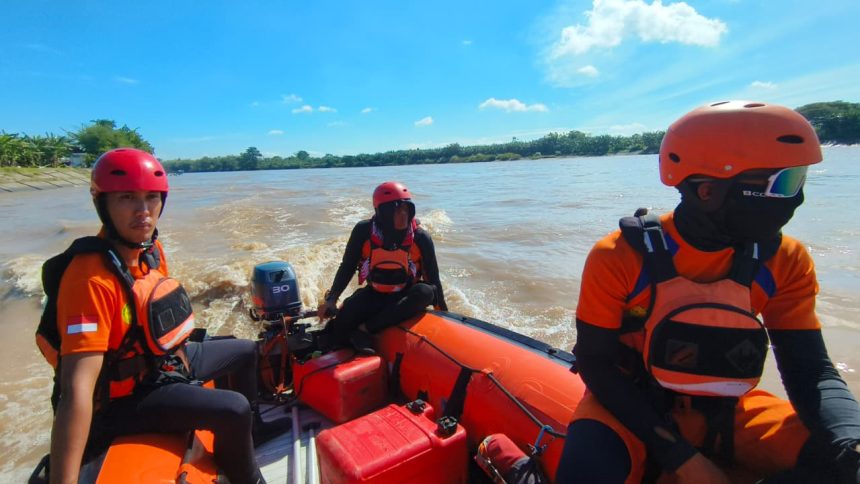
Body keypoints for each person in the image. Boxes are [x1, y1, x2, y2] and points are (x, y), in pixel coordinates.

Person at [557, 101, 860, 483]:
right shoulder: (618, 256)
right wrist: (685, 460)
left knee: (841, 463)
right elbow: (597, 366)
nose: (797, 199)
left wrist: (852, 439)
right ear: (707, 191)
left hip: (730, 410)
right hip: (628, 406)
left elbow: (810, 370)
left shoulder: (787, 259)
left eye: (799, 180)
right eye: (783, 183)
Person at [37, 148, 267, 484]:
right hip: (124, 400)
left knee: (247, 350)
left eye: (151, 198)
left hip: (161, 364)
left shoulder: (150, 251)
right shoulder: (89, 280)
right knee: (233, 408)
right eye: (127, 198)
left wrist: (178, 363)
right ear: (103, 204)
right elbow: (77, 390)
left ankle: (251, 436)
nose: (143, 211)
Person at [317, 181, 448, 349]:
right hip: (374, 294)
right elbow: (348, 266)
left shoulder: (421, 237)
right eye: (396, 209)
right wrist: (331, 299)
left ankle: (365, 329)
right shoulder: (363, 231)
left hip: (405, 296)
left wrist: (443, 313)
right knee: (343, 319)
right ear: (382, 212)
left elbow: (433, 278)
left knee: (426, 292)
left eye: (406, 208)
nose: (403, 215)